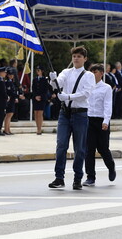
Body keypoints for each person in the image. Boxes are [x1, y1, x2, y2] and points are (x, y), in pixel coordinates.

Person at [48, 46, 95, 190]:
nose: (76, 59)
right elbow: (58, 84)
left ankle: (77, 178)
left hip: (80, 113)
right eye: (74, 56)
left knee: (79, 148)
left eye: (79, 56)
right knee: (61, 145)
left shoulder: (89, 75)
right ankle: (59, 177)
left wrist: (68, 96)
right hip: (65, 113)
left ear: (85, 59)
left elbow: (86, 93)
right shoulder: (66, 72)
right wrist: (53, 79)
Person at [83, 63, 116, 187]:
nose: (93, 74)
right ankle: (90, 177)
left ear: (101, 73)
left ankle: (111, 166)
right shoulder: (86, 87)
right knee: (89, 149)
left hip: (101, 120)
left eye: (95, 72)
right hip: (89, 120)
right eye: (91, 72)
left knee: (103, 148)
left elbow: (108, 105)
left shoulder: (106, 88)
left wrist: (106, 121)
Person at [32, 65, 49, 135]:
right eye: (37, 70)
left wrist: (41, 96)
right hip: (35, 98)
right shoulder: (35, 79)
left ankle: (40, 128)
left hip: (42, 98)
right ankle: (37, 127)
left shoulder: (45, 79)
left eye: (39, 70)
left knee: (40, 113)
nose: (37, 72)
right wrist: (35, 96)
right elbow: (33, 89)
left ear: (42, 71)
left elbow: (45, 90)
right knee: (36, 113)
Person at [3, 69, 19, 135]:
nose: (12, 76)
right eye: (10, 75)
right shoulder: (7, 82)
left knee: (10, 115)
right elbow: (10, 92)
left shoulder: (11, 82)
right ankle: (6, 129)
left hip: (12, 100)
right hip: (9, 100)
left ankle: (8, 129)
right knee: (8, 115)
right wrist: (17, 96)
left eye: (12, 75)